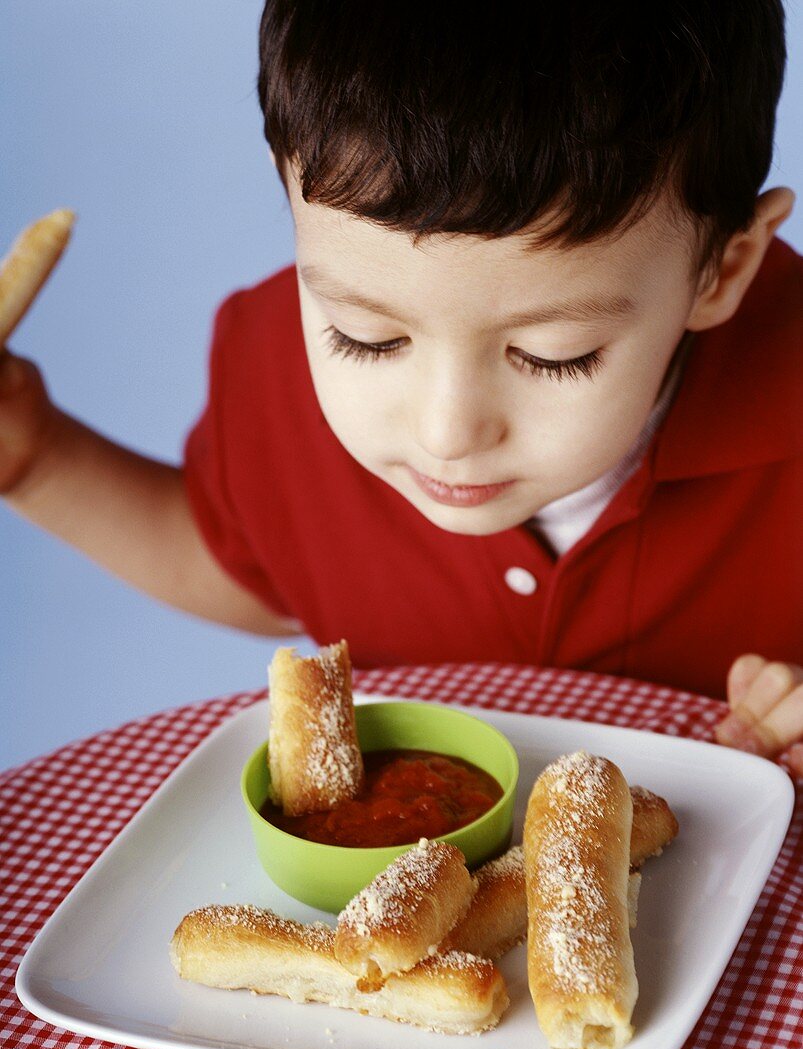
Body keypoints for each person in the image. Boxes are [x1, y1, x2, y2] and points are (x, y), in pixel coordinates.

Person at [1, 1, 801, 773]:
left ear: (723, 269)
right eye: (366, 337)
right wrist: (37, 460)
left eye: (552, 355)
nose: (446, 433)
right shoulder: (267, 366)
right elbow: (258, 567)